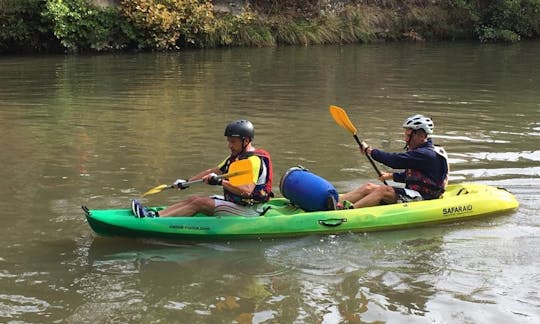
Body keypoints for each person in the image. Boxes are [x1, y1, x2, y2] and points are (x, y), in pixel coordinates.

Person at [131, 120, 273, 217]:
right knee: (194, 198)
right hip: (235, 204)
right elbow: (212, 172)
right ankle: (154, 215)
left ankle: (153, 220)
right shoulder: (235, 157)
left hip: (249, 210)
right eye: (228, 141)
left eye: (233, 142)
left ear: (246, 141)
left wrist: (219, 182)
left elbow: (246, 191)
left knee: (199, 203)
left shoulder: (253, 161)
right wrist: (186, 182)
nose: (229, 145)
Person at [338, 114, 449, 209]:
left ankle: (347, 214)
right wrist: (390, 176)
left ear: (421, 136)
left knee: (382, 191)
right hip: (415, 193)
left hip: (425, 198)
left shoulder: (426, 154)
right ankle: (335, 202)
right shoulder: (424, 152)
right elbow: (415, 177)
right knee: (368, 187)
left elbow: (394, 160)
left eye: (408, 135)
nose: (405, 139)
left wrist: (370, 151)